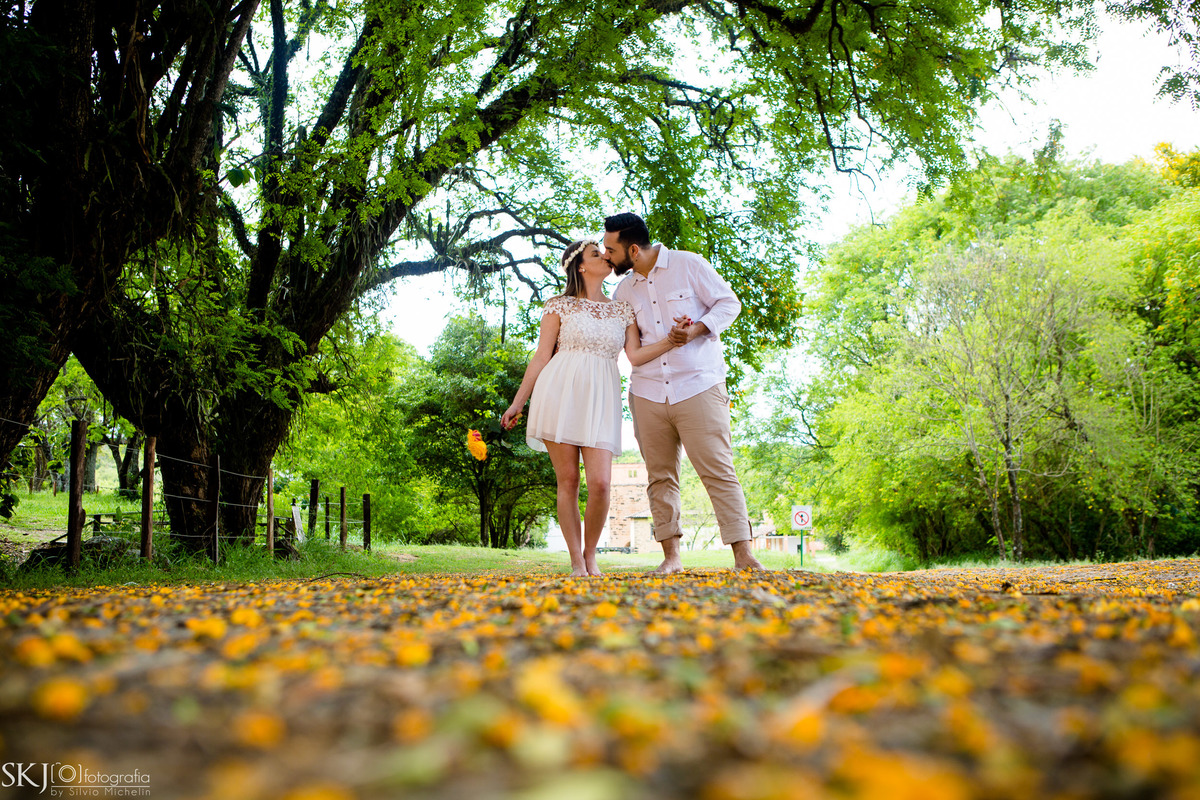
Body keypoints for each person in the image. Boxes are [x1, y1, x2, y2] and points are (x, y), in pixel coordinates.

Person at [502, 240, 682, 577]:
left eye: (605, 252)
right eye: (596, 254)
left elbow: (635, 356)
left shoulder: (621, 309)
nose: (605, 256)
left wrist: (670, 340)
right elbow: (542, 356)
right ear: (581, 266)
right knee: (568, 480)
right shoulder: (559, 305)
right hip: (559, 392)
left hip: (601, 397)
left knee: (600, 484)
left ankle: (591, 555)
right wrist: (517, 403)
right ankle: (576, 562)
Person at [606, 212, 765, 573]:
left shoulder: (688, 264)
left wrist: (695, 332)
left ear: (632, 249)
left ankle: (744, 555)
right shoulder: (624, 290)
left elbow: (729, 303)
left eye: (611, 249)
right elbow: (630, 347)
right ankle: (671, 558)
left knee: (718, 469)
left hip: (699, 385)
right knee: (659, 476)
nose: (607, 256)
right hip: (647, 393)